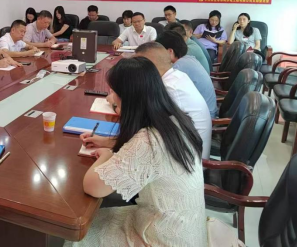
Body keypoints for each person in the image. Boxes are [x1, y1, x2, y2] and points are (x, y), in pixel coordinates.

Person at [67, 58, 207, 247]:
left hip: (162, 237)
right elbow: (147, 151)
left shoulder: (148, 142)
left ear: (129, 97)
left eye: (114, 92)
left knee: (74, 237)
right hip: (185, 227)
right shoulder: (174, 119)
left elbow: (92, 186)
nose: (111, 97)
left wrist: (107, 155)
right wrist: (109, 142)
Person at [135, 42, 212, 159]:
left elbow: (143, 123)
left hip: (189, 160)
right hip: (187, 149)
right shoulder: (178, 76)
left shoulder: (169, 89)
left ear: (149, 66)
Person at [156, 31, 218, 119]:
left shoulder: (179, 67)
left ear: (170, 51)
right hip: (206, 112)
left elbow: (161, 90)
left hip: (205, 117)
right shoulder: (188, 59)